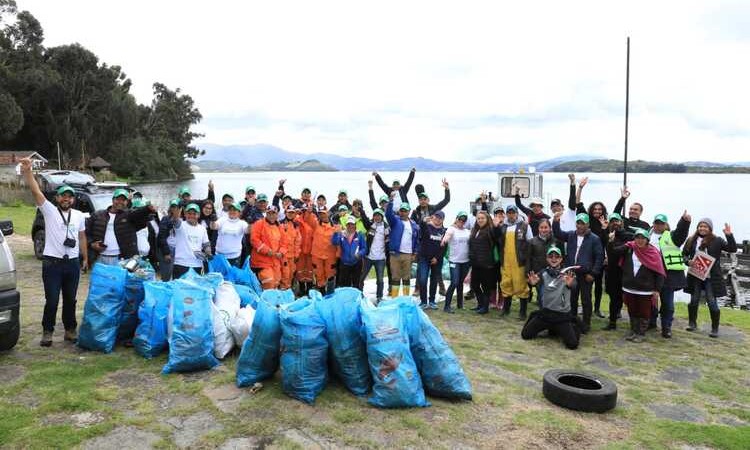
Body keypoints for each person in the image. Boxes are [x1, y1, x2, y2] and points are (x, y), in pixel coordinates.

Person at [20, 158, 88, 347]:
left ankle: (70, 330)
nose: (66, 198)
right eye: (63, 196)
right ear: (57, 198)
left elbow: (82, 237)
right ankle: (47, 332)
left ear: (73, 199)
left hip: (72, 263)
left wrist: (85, 258)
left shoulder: (79, 215)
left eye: (70, 196)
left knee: (71, 300)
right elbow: (36, 191)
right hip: (52, 264)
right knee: (52, 300)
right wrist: (27, 172)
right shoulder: (49, 210)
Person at [608, 228, 665, 343]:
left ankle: (641, 333)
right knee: (632, 310)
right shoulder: (629, 247)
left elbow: (659, 273)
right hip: (629, 287)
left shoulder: (653, 253)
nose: (640, 240)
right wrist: (610, 241)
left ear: (647, 240)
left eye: (642, 238)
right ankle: (633, 330)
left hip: (646, 289)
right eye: (637, 237)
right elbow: (613, 252)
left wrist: (657, 290)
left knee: (644, 312)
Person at [683, 218, 736, 338]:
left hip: (711, 277)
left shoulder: (717, 240)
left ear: (710, 229)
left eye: (705, 226)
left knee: (712, 302)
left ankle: (715, 328)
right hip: (695, 275)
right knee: (694, 300)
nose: (702, 228)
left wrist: (729, 235)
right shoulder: (691, 240)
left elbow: (732, 249)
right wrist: (688, 262)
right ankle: (692, 323)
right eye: (700, 226)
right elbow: (684, 255)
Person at [553, 212, 604, 334]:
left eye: (582, 223)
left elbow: (599, 257)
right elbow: (558, 234)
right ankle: (572, 321)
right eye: (578, 223)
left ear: (587, 224)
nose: (580, 226)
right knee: (572, 299)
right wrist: (555, 221)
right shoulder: (571, 235)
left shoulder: (595, 239)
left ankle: (586, 324)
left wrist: (593, 273)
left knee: (586, 300)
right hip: (571, 273)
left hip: (586, 274)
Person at [522, 246, 581, 349]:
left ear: (561, 259)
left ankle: (573, 324)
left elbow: (574, 286)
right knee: (525, 335)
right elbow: (533, 281)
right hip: (546, 314)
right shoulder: (543, 272)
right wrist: (532, 283)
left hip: (561, 316)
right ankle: (537, 317)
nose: (554, 259)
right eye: (551, 256)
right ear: (547, 259)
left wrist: (570, 284)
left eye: (557, 257)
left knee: (572, 345)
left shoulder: (568, 274)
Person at [648, 212, 691, 338]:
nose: (659, 225)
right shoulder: (646, 234)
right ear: (653, 223)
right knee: (650, 301)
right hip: (649, 274)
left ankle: (666, 327)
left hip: (668, 275)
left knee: (668, 304)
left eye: (662, 223)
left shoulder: (672, 236)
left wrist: (684, 222)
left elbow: (681, 234)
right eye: (657, 223)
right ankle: (651, 322)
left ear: (666, 225)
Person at [87, 188, 155, 265]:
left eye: (123, 200)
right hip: (99, 258)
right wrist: (91, 244)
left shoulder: (128, 215)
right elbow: (86, 232)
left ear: (127, 202)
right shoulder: (97, 215)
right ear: (113, 200)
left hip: (122, 259)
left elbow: (139, 214)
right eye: (118, 199)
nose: (120, 202)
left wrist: (148, 209)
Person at [575, 177, 609, 318]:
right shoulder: (586, 219)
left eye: (600, 209)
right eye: (595, 209)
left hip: (599, 257)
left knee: (598, 286)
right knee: (584, 283)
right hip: (586, 256)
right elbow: (578, 203)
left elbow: (607, 242)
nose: (597, 211)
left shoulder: (605, 222)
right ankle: (583, 306)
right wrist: (580, 187)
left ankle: (596, 308)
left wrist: (604, 228)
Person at [497, 205, 533, 319]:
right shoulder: (503, 226)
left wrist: (528, 261)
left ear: (517, 213)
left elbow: (530, 243)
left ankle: (522, 312)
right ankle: (506, 309)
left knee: (521, 286)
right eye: (509, 213)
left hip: (519, 262)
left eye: (513, 213)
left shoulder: (525, 226)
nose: (511, 215)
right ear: (506, 214)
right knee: (505, 285)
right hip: (506, 262)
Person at [385, 193, 419, 297]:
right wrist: (390, 202)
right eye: (401, 210)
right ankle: (395, 298)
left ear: (409, 212)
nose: (403, 213)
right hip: (395, 253)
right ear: (399, 211)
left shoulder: (414, 225)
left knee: (406, 277)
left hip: (408, 254)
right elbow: (388, 215)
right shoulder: (395, 221)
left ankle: (405, 298)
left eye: (405, 211)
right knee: (395, 277)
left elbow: (417, 240)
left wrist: (415, 253)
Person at [525, 218, 562, 308]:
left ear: (550, 228)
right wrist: (527, 273)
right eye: (541, 227)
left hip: (553, 273)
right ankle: (543, 314)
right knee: (542, 296)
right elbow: (528, 258)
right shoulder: (532, 241)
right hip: (538, 273)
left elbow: (561, 256)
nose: (543, 230)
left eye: (546, 227)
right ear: (538, 228)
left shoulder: (556, 241)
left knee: (553, 296)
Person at [468, 211, 499, 314]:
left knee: (486, 287)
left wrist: (496, 226)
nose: (480, 220)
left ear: (487, 219)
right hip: (475, 263)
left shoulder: (490, 230)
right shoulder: (475, 230)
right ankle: (480, 304)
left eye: (483, 218)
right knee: (474, 285)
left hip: (486, 263)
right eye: (478, 218)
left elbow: (497, 237)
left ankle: (485, 308)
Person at [171, 203, 212, 279]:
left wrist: (208, 252)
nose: (192, 216)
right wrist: (178, 211)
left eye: (194, 214)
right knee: (179, 289)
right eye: (189, 213)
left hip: (197, 265)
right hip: (180, 264)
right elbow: (175, 220)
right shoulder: (181, 225)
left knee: (195, 290)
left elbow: (206, 244)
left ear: (199, 215)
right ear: (185, 214)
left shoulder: (202, 228)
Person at [250, 205, 286, 289]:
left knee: (276, 282)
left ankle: (272, 300)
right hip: (262, 262)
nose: (271, 215)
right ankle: (264, 300)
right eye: (269, 213)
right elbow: (254, 240)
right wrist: (267, 251)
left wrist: (281, 252)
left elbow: (284, 243)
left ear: (277, 215)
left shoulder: (279, 227)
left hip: (275, 261)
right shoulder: (259, 224)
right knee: (268, 281)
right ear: (266, 214)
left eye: (274, 213)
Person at [416, 211, 447, 309]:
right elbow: (422, 226)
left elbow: (444, 247)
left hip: (437, 260)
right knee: (422, 279)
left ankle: (432, 301)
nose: (438, 219)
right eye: (436, 217)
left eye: (440, 218)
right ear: (433, 217)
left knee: (434, 280)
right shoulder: (427, 227)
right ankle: (423, 301)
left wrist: (437, 258)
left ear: (443, 219)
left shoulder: (444, 231)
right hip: (424, 258)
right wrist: (423, 221)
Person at [441, 211, 471, 312]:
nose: (461, 221)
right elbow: (447, 236)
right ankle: (447, 306)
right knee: (454, 282)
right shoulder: (451, 229)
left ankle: (460, 304)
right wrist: (444, 240)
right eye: (460, 219)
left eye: (464, 220)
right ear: (456, 219)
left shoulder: (467, 231)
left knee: (460, 283)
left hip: (465, 261)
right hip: (454, 261)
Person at [602, 213, 627, 331]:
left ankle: (637, 323)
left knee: (625, 297)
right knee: (613, 298)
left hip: (624, 272)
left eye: (617, 221)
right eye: (612, 221)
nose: (615, 223)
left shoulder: (626, 235)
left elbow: (618, 252)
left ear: (621, 222)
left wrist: (615, 236)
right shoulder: (607, 235)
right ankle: (612, 322)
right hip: (611, 272)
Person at [305, 207, 339, 295]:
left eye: (324, 213)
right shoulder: (315, 224)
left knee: (330, 274)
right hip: (317, 255)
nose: (322, 215)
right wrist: (309, 211)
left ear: (328, 213)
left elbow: (339, 241)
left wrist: (339, 254)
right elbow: (307, 219)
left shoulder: (335, 226)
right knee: (319, 274)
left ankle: (330, 293)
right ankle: (322, 292)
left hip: (330, 255)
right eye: (320, 214)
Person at [360, 208, 389, 301]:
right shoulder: (370, 225)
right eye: (375, 215)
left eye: (378, 215)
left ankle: (379, 297)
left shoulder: (386, 227)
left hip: (381, 258)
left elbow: (388, 241)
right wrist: (361, 210)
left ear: (382, 217)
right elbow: (364, 219)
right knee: (361, 277)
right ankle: (359, 294)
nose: (377, 217)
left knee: (380, 280)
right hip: (368, 257)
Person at [210, 202, 249, 267]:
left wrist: (250, 224)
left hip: (234, 257)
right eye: (230, 209)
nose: (232, 211)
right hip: (219, 256)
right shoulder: (222, 220)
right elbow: (213, 227)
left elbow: (248, 231)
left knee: (232, 277)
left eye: (234, 210)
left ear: (239, 212)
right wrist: (213, 221)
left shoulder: (242, 223)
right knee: (219, 276)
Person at [332, 216, 367, 288]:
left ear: (355, 225)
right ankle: (347, 298)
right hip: (344, 264)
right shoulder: (342, 234)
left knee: (356, 283)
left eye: (352, 224)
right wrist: (335, 233)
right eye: (349, 224)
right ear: (346, 225)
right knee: (345, 285)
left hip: (356, 263)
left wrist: (359, 254)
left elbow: (364, 248)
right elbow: (335, 242)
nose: (350, 226)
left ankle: (358, 297)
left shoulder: (359, 234)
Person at [157, 199, 182, 280]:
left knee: (176, 275)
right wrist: (166, 253)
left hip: (178, 251)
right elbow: (161, 237)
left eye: (176, 207)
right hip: (168, 250)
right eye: (172, 207)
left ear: (179, 208)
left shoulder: (183, 220)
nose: (174, 209)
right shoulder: (165, 219)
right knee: (166, 275)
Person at [279, 205, 302, 290]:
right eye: (289, 212)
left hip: (292, 256)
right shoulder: (280, 224)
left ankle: (288, 290)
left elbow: (298, 241)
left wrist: (296, 254)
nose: (291, 214)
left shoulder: (296, 225)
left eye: (292, 213)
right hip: (283, 255)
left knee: (291, 273)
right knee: (285, 273)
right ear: (285, 213)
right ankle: (284, 291)